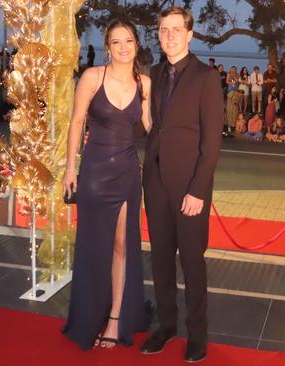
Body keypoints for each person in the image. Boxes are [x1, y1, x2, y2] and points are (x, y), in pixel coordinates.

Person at [61, 19, 152, 351]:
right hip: (95, 174)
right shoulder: (92, 77)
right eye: (117, 42)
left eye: (129, 41)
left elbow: (152, 127)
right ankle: (89, 314)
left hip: (128, 174)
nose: (124, 47)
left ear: (136, 45)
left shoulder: (145, 84)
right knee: (92, 248)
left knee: (121, 247)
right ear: (108, 47)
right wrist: (71, 167)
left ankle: (115, 316)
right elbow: (76, 121)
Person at [140, 7, 224, 363]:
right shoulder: (152, 75)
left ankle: (198, 333)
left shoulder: (207, 77)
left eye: (177, 29)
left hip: (189, 186)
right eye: (164, 29)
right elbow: (147, 125)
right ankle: (167, 326)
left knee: (192, 263)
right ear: (158, 35)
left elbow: (212, 143)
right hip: (155, 183)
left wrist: (198, 190)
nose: (170, 35)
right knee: (159, 261)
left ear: (190, 35)